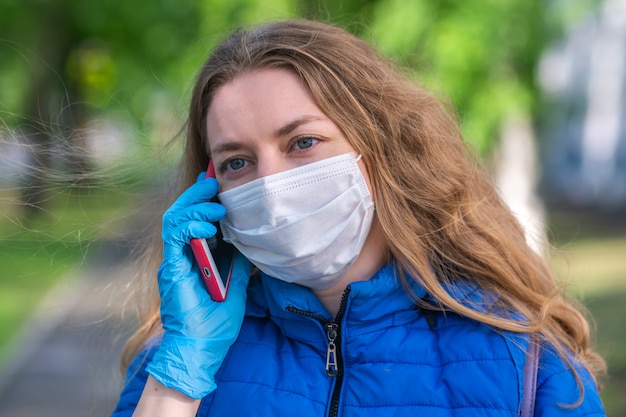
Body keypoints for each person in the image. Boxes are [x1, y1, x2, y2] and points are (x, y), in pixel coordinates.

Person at [111, 19, 607, 417]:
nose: (273, 186)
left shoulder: (526, 363)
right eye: (237, 162)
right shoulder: (177, 362)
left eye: (302, 143)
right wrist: (180, 379)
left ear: (379, 149)